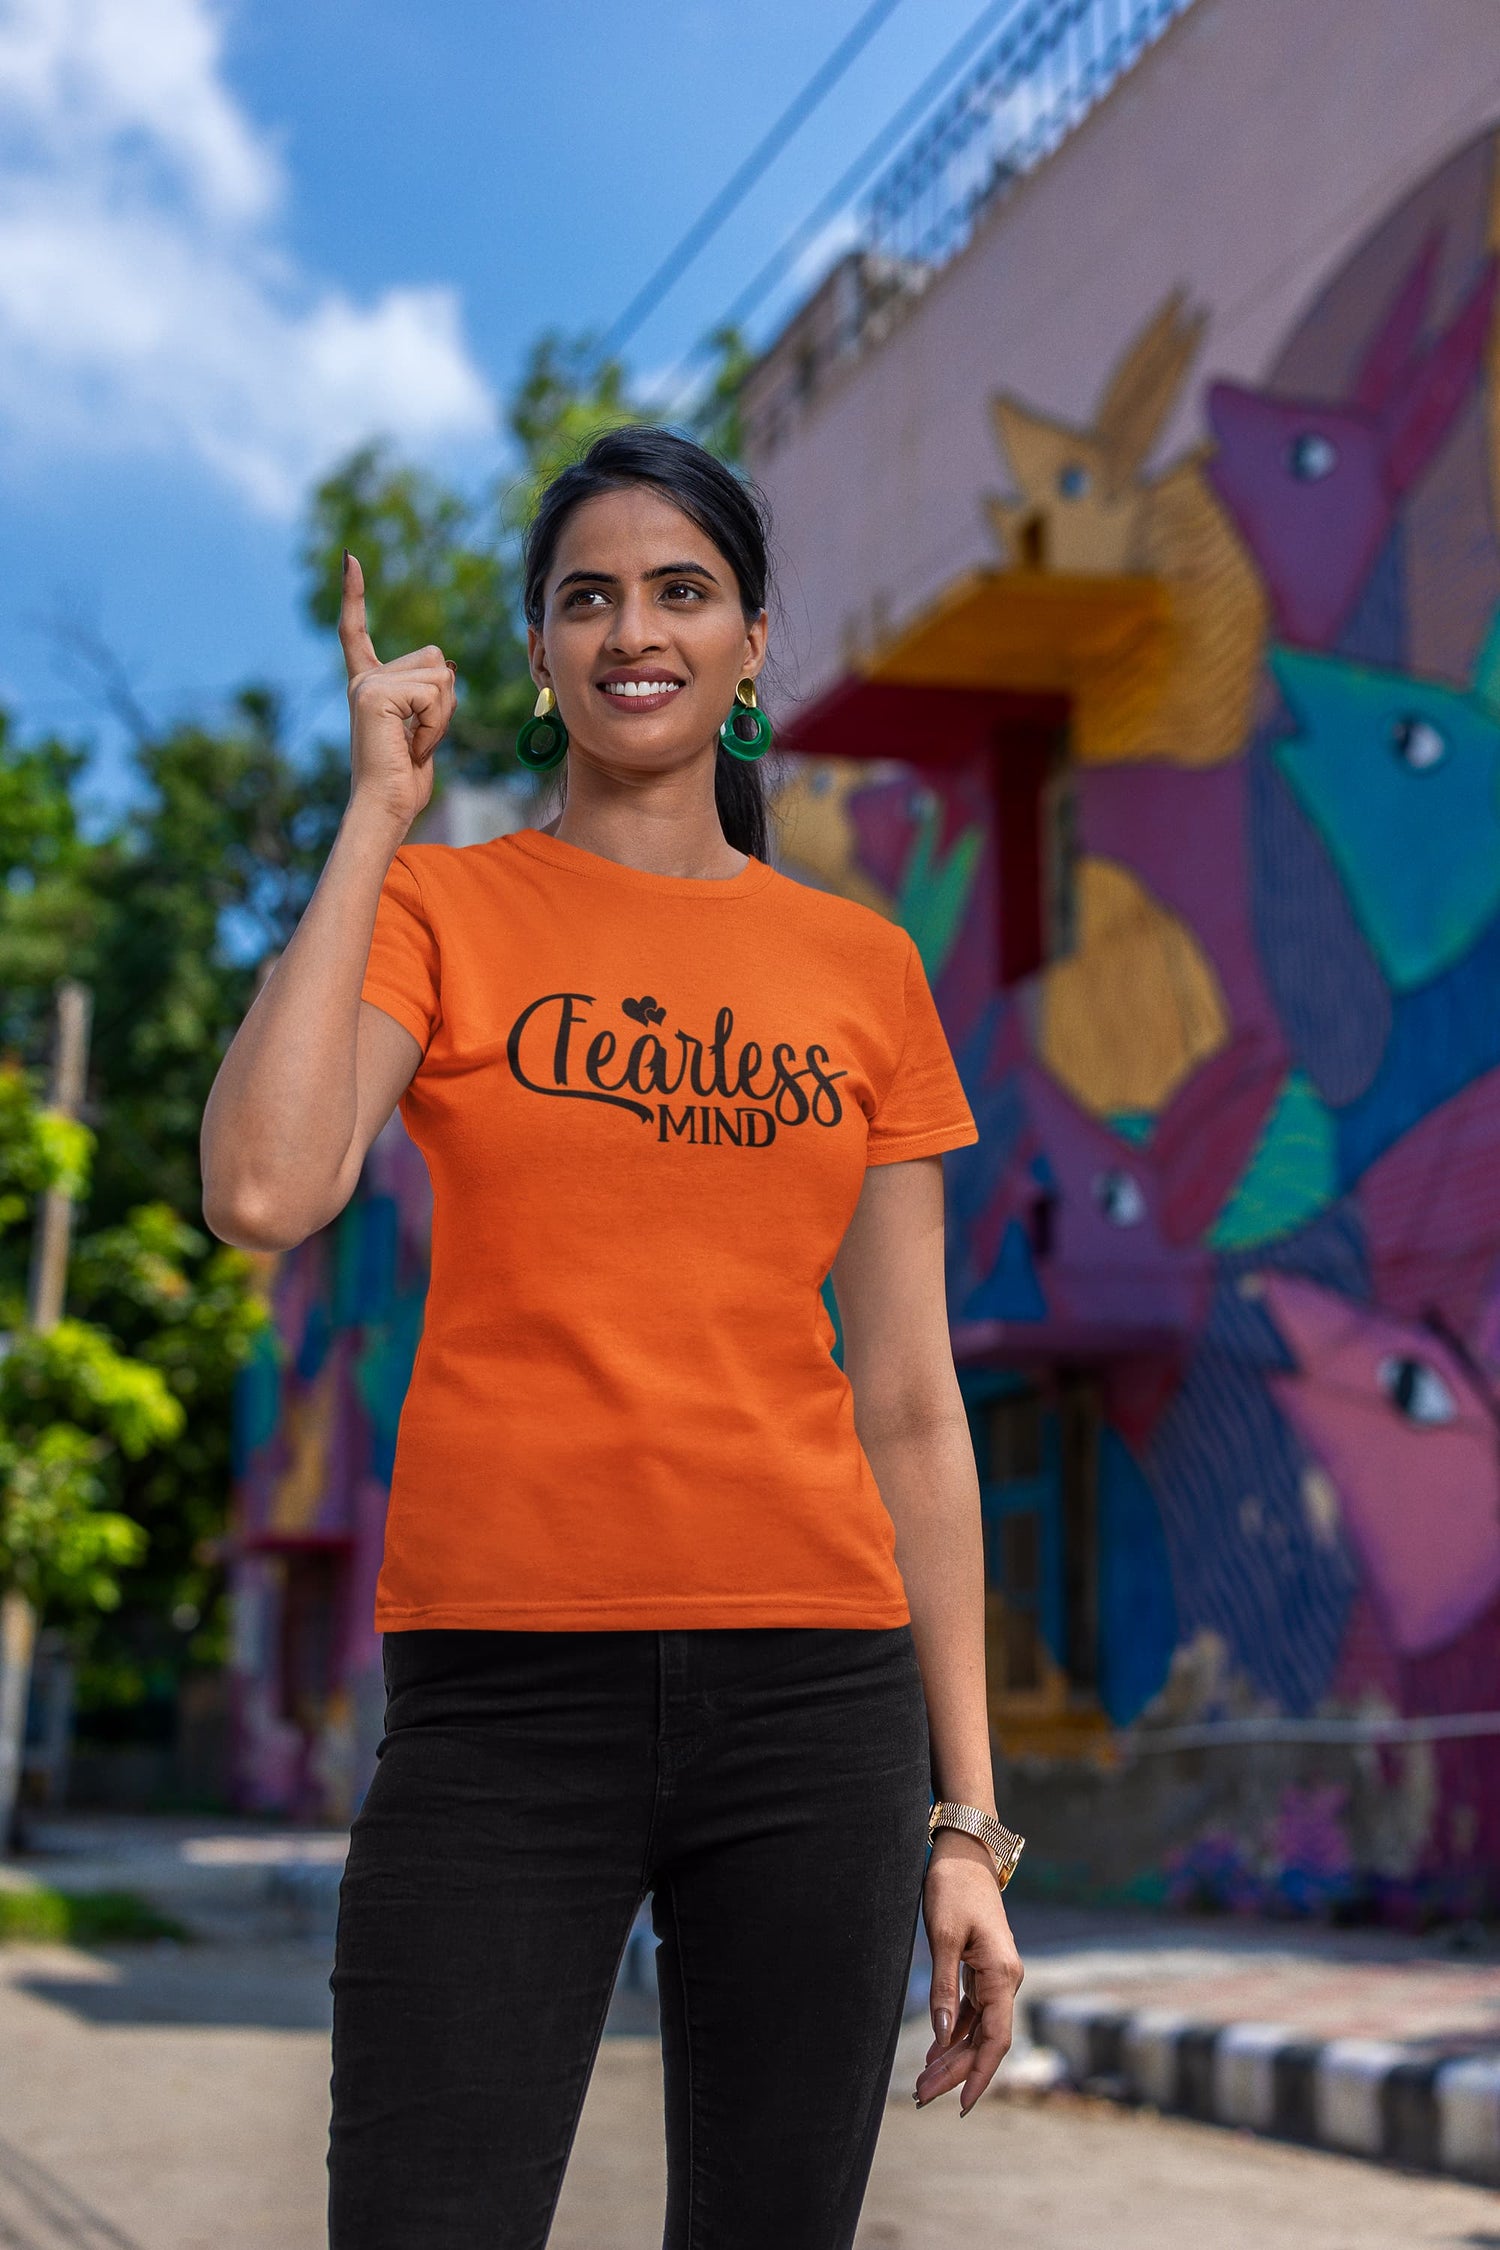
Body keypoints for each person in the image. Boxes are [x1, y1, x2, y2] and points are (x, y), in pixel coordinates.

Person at [201, 425, 1024, 2250]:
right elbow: (267, 1189)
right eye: (587, 595)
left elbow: (909, 1402)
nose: (631, 628)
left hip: (818, 1698)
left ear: (747, 645)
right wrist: (369, 818)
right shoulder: (439, 905)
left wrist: (969, 1819)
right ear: (540, 651)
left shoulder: (864, 970)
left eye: (680, 590)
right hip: (502, 1697)